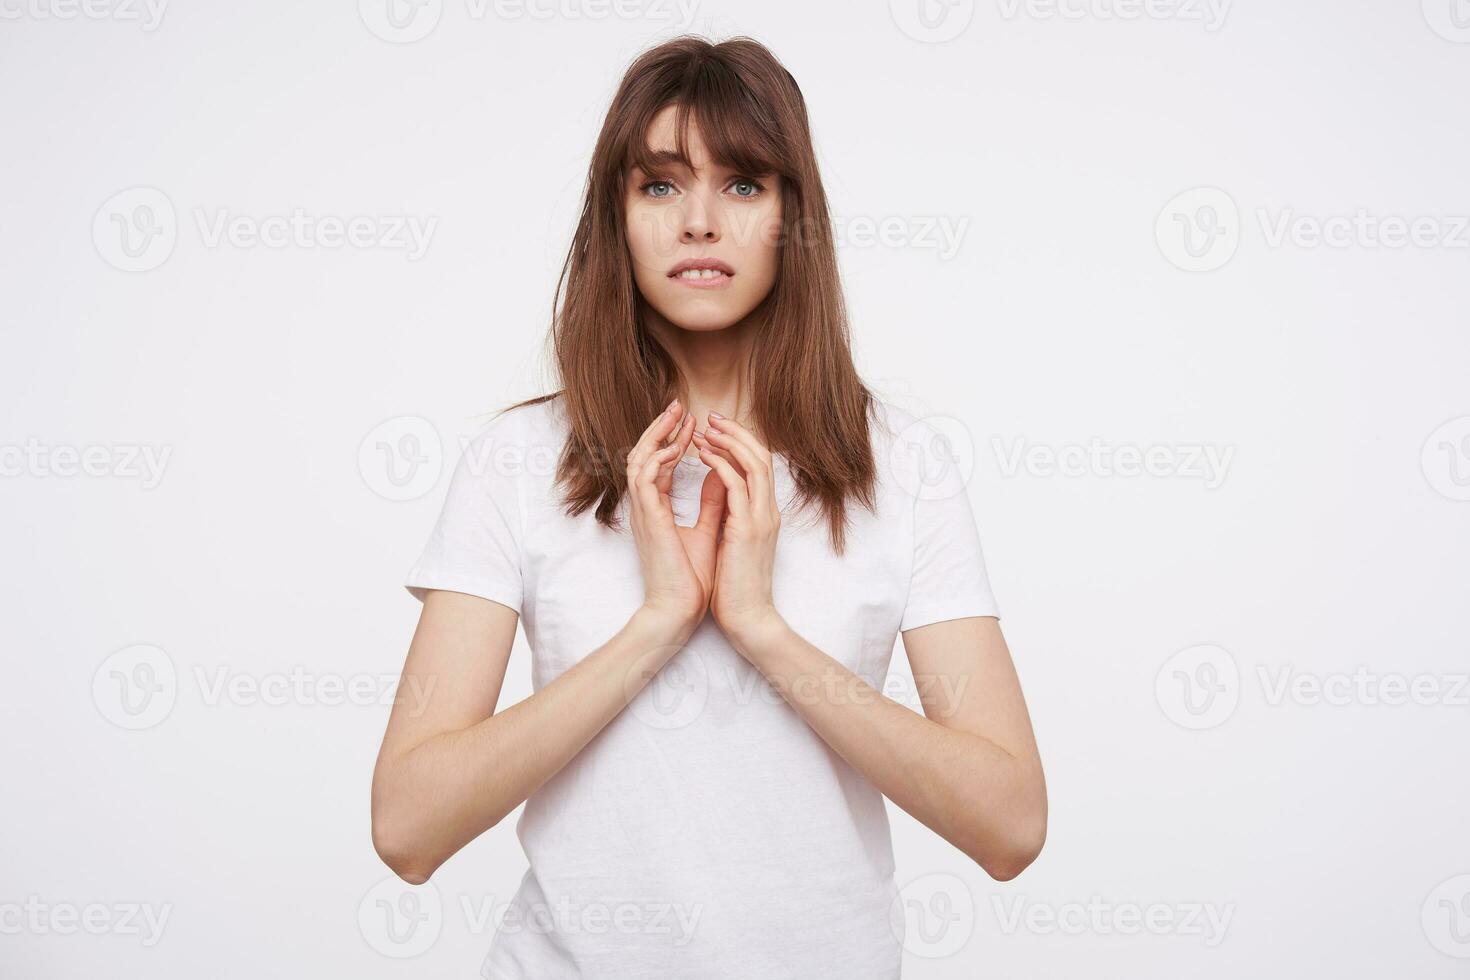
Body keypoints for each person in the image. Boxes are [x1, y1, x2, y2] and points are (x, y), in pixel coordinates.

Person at [370, 33, 1046, 979]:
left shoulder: (902, 467)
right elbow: (408, 826)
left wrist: (762, 628)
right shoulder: (517, 462)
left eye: (741, 185)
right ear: (617, 219)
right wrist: (659, 621)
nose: (698, 222)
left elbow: (1010, 824)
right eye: (658, 185)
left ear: (791, 217)